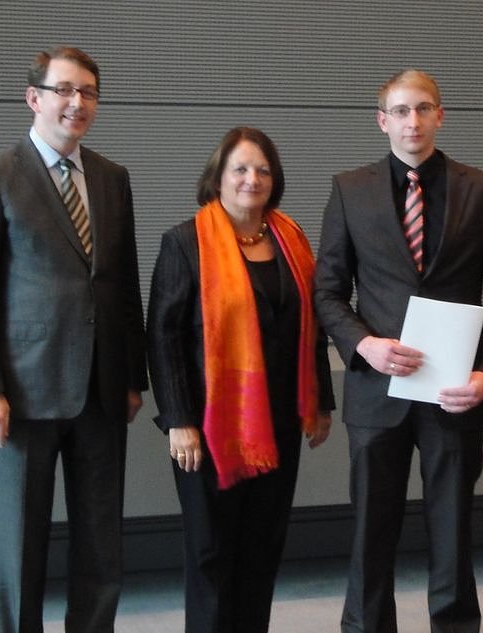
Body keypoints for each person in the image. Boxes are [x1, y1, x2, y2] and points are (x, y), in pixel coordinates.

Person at [315, 69, 483, 633]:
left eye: (423, 108)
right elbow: (327, 292)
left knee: (453, 532)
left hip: (455, 393)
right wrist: (364, 344)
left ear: (440, 115)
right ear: (382, 120)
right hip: (376, 391)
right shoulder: (349, 189)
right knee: (370, 532)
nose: (413, 121)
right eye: (401, 111)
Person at [0, 47, 147, 632]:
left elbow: (123, 287)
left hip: (101, 391)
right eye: (64, 90)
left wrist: (132, 378)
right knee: (21, 547)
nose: (77, 102)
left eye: (88, 92)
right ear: (34, 97)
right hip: (21, 396)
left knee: (101, 546)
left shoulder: (113, 178)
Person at [147, 126, 335, 633]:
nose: (252, 179)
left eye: (263, 170)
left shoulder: (291, 240)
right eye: (241, 169)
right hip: (209, 427)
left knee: (261, 549)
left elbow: (312, 327)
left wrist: (320, 402)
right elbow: (163, 337)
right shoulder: (185, 242)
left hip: (280, 423)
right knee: (211, 552)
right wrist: (179, 420)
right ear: (218, 177)